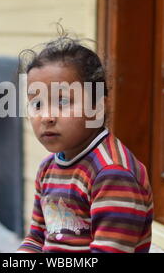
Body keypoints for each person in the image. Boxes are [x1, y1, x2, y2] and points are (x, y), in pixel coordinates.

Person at [17, 31, 153, 253]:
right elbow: (36, 236)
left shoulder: (112, 174)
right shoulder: (48, 168)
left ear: (98, 107)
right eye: (38, 104)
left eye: (62, 101)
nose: (47, 117)